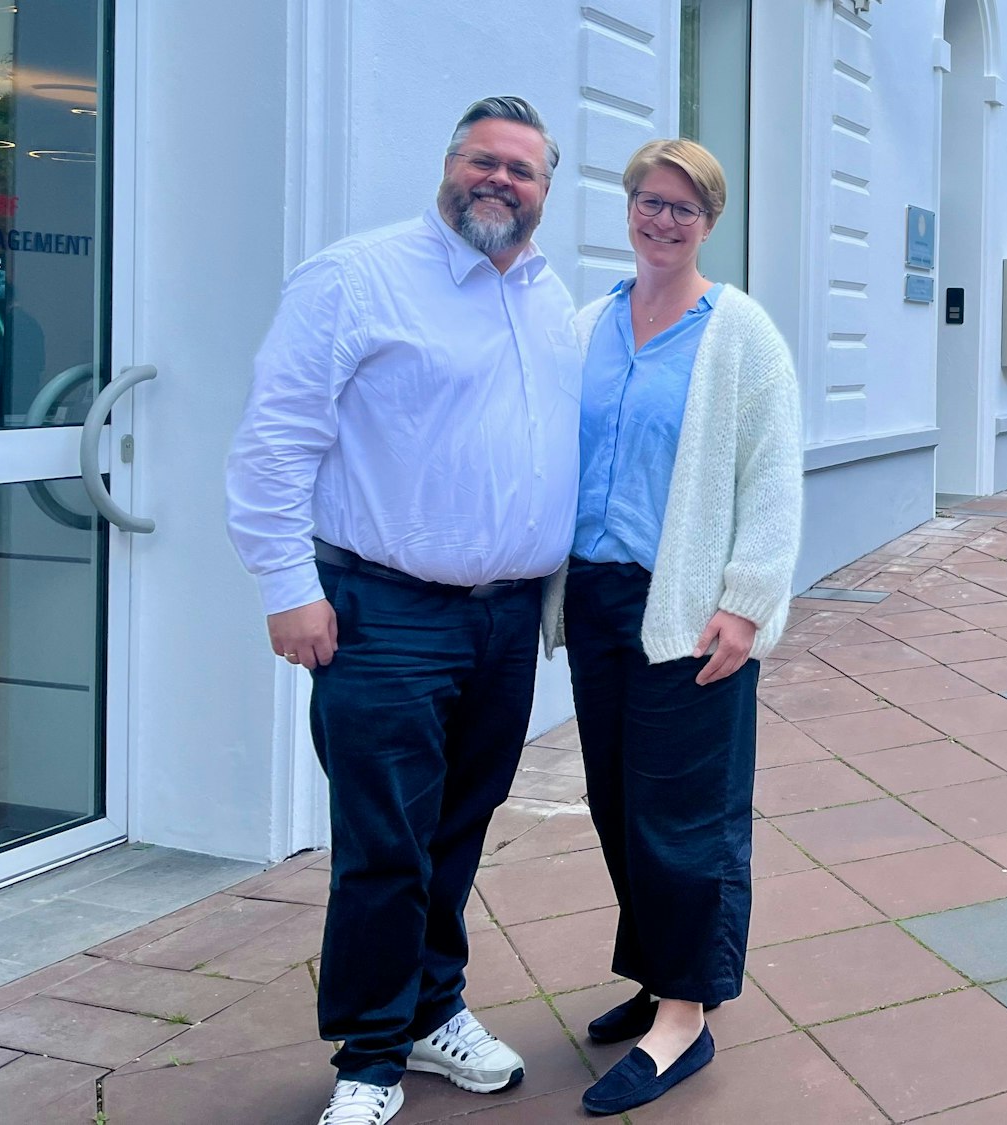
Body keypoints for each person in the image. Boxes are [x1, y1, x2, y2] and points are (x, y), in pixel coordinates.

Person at [225, 96, 582, 1125]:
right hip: (382, 612)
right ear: (448, 166)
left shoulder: (552, 298)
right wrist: (287, 587)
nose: (499, 181)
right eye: (484, 160)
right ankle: (371, 1059)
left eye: (522, 170)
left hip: (506, 620)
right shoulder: (358, 276)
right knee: (384, 842)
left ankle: (433, 1011)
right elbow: (274, 440)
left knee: (457, 829)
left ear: (545, 192)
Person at [540, 137, 801, 1117]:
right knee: (616, 801)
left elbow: (771, 482)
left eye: (681, 208)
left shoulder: (737, 336)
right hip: (597, 601)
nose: (660, 220)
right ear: (627, 209)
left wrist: (745, 606)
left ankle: (683, 1018)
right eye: (647, 202)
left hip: (689, 610)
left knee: (685, 813)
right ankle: (656, 974)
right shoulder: (586, 326)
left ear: (708, 222)